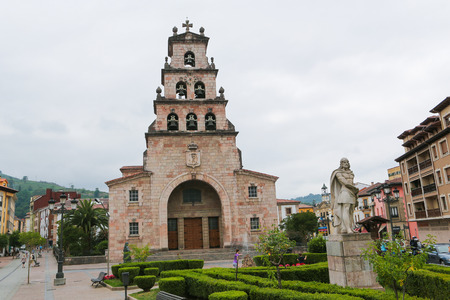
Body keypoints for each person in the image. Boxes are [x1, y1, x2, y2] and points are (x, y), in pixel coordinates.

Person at [330, 158, 360, 234]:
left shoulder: (351, 173)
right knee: (346, 209)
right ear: (341, 163)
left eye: (347, 162)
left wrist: (355, 191)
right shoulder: (337, 172)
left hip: (352, 192)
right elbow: (344, 182)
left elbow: (351, 182)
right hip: (345, 191)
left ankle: (350, 227)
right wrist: (354, 188)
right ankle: (347, 229)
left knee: (351, 211)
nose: (346, 163)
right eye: (344, 162)